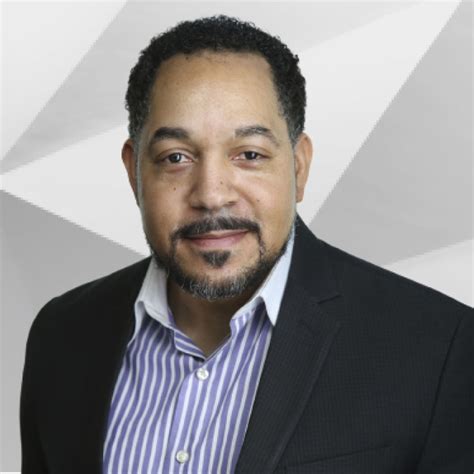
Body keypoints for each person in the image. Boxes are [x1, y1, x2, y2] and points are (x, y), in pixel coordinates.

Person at [20, 15, 473, 474]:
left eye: (250, 155)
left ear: (299, 166)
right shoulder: (62, 335)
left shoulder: (440, 349)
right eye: (176, 158)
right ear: (134, 171)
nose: (212, 194)